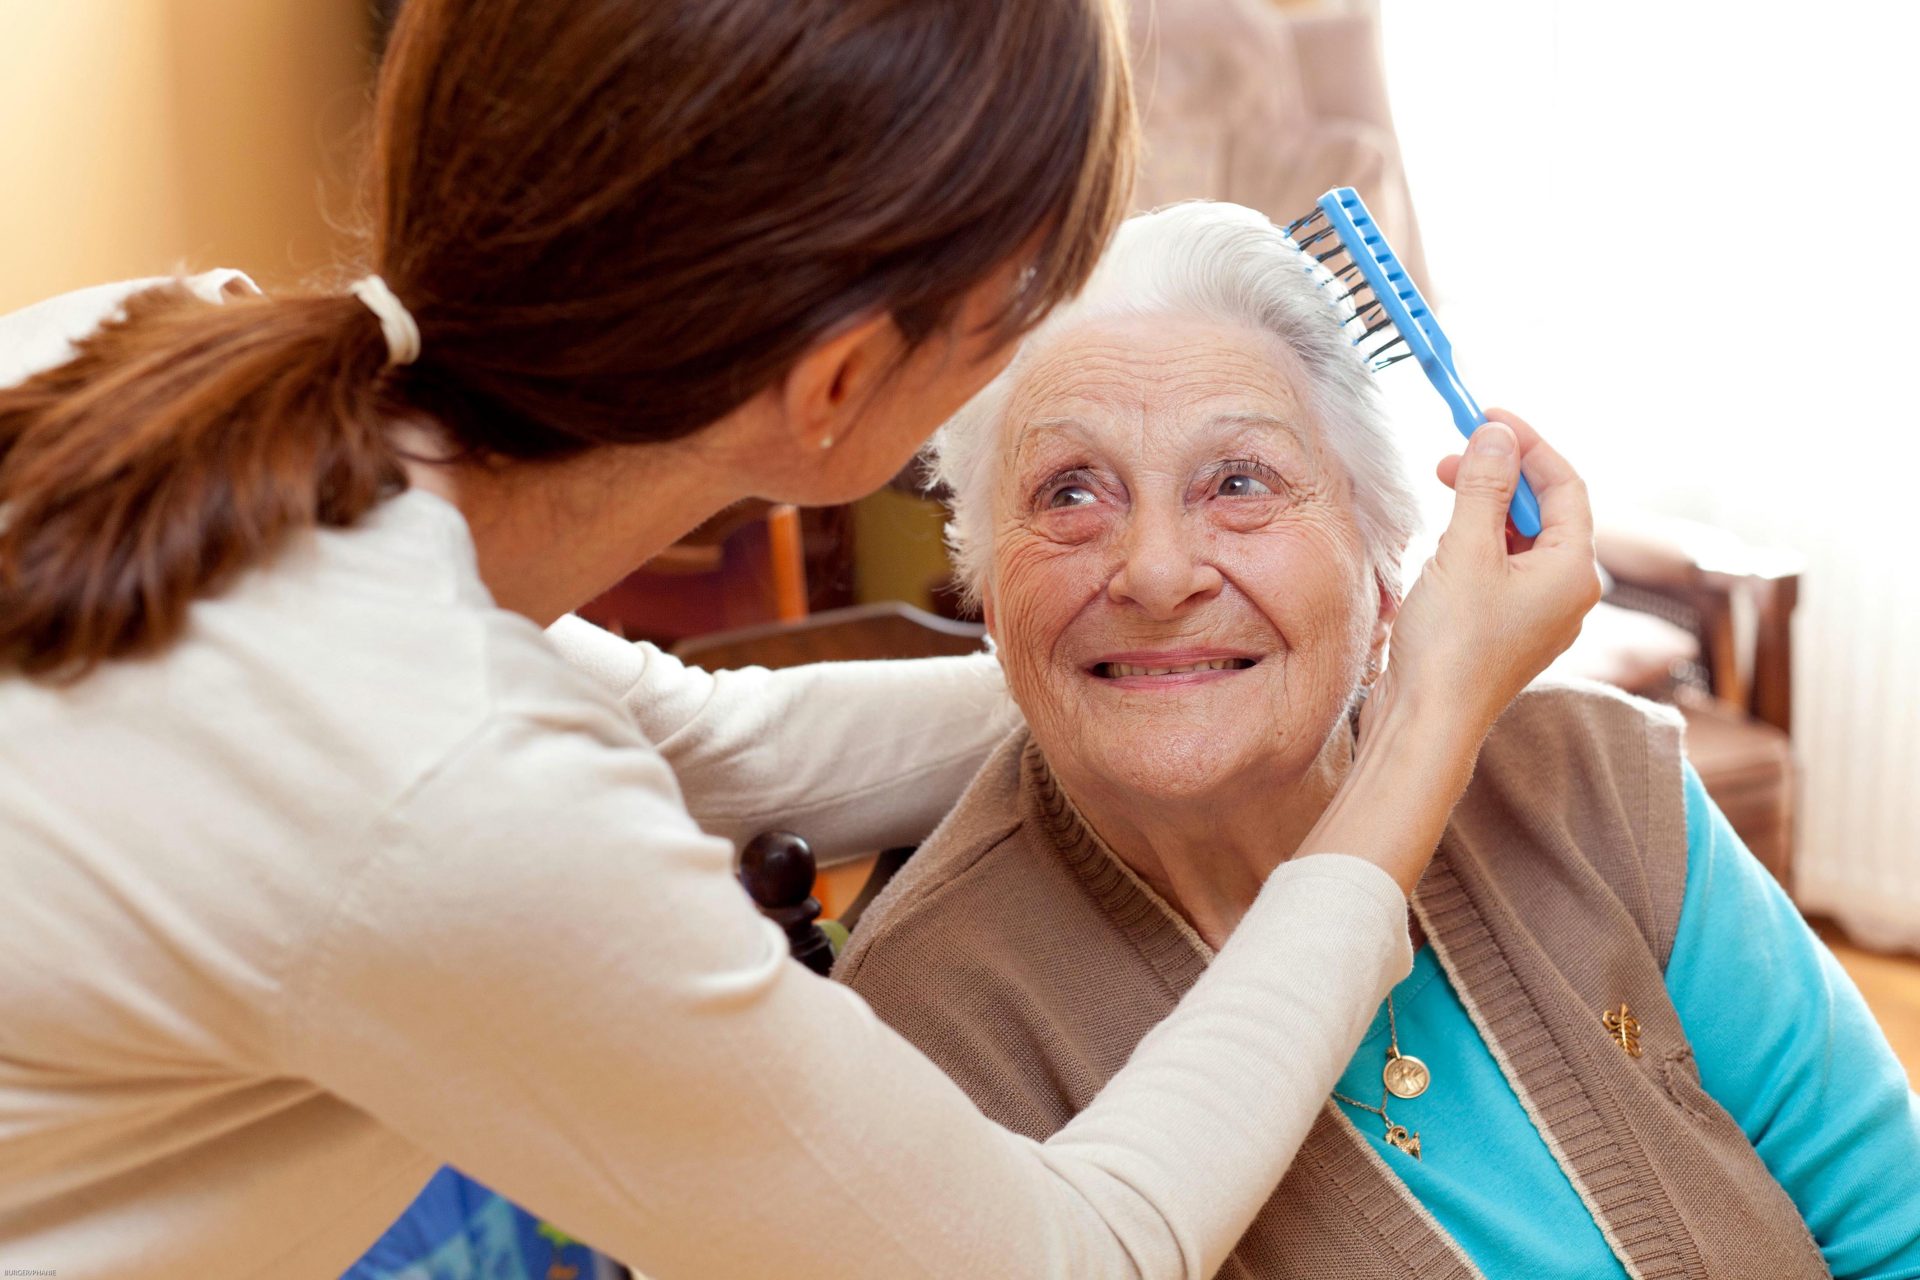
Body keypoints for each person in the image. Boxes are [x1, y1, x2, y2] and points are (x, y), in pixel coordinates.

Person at [0, 4, 1601, 1278]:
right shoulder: (440, 788)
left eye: (1240, 489)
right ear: (838, 391)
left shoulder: (135, 351)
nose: (1161, 558)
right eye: (1029, 298)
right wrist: (1423, 729)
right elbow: (1075, 1256)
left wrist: (1187, 663)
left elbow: (707, 742)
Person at [834, 201, 1920, 1280]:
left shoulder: (1599, 783)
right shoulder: (926, 1025)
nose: (1157, 572)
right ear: (986, 590)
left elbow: (1896, 1228)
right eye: (1070, 492)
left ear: (1384, 564)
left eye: (1241, 481)